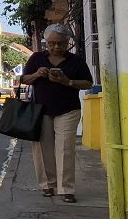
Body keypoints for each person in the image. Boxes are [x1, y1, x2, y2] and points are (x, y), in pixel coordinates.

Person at [20, 24, 94, 203]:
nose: (55, 47)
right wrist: (37, 74)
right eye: (51, 43)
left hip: (68, 110)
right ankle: (47, 185)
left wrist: (67, 81)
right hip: (41, 111)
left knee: (65, 149)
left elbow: (88, 83)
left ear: (67, 42)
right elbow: (24, 79)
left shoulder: (75, 61)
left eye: (60, 43)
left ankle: (66, 188)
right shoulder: (37, 58)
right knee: (42, 149)